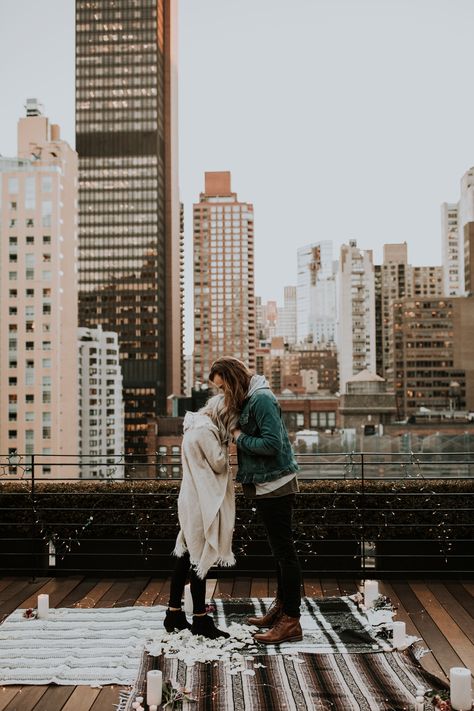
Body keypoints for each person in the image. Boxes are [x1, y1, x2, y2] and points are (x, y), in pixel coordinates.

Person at [209, 357, 303, 645]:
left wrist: (238, 437)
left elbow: (272, 444)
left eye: (223, 388)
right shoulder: (249, 400)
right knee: (279, 552)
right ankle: (281, 609)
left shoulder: (261, 400)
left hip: (276, 485)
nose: (223, 394)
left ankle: (291, 620)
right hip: (265, 485)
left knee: (284, 553)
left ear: (234, 379)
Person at [164, 395, 237, 639]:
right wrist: (227, 442)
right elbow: (218, 463)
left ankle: (173, 613)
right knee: (200, 558)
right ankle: (200, 619)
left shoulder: (193, 427)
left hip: (190, 496)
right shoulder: (206, 431)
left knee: (185, 555)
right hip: (200, 501)